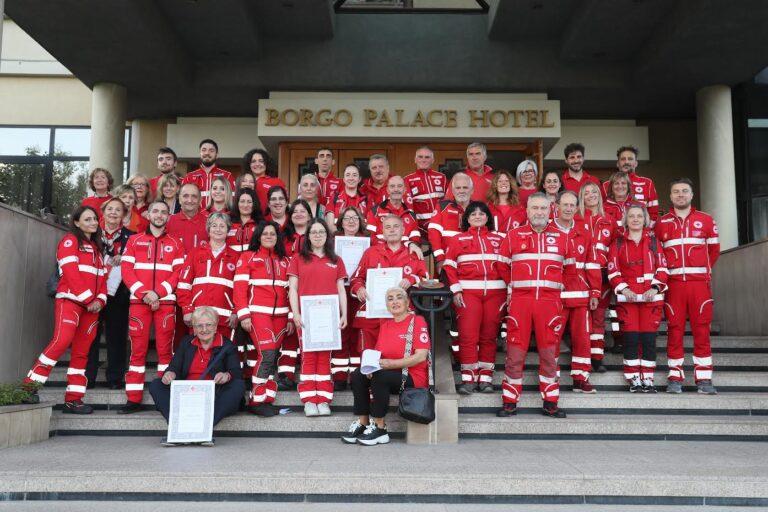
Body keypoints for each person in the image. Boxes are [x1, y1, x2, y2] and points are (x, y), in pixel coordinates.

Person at [23, 206, 107, 414]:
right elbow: (70, 273)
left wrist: (100, 300)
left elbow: (102, 280)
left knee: (81, 353)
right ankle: (28, 388)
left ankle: (74, 400)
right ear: (77, 223)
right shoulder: (70, 241)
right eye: (87, 219)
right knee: (60, 342)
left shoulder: (97, 248)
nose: (93, 222)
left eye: (94, 219)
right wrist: (89, 299)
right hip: (70, 302)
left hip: (92, 309)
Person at [498, 192, 573, 419]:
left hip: (550, 304)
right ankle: (509, 401)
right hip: (521, 302)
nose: (539, 212)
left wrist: (557, 293)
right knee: (515, 353)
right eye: (535, 208)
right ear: (527, 211)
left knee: (549, 353)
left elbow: (570, 270)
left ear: (550, 210)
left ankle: (551, 402)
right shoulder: (513, 235)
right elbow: (501, 266)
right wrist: (513, 288)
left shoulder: (563, 237)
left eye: (543, 208)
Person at [119, 200, 185, 414]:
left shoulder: (176, 243)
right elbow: (126, 270)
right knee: (137, 352)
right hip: (139, 302)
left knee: (165, 352)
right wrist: (144, 294)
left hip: (165, 302)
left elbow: (178, 274)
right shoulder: (134, 240)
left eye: (164, 212)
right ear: (148, 214)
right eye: (155, 211)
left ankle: (162, 397)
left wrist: (158, 293)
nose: (159, 215)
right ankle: (133, 399)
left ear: (168, 216)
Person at [342, 287, 431, 446]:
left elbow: (421, 356)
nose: (395, 302)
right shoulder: (386, 325)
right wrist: (370, 367)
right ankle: (363, 423)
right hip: (389, 375)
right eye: (390, 299)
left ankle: (380, 428)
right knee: (358, 374)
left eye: (399, 297)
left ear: (407, 302)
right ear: (387, 305)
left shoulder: (417, 321)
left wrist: (391, 364)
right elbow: (379, 354)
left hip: (411, 377)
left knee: (380, 377)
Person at [655, 178, 720, 394]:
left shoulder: (706, 220)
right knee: (674, 331)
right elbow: (657, 255)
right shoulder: (661, 223)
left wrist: (700, 272)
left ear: (692, 195)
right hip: (673, 286)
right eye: (676, 191)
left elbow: (714, 252)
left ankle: (704, 379)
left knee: (702, 330)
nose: (680, 195)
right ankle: (675, 377)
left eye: (684, 191)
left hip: (699, 285)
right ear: (670, 196)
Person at [148, 306, 245, 444]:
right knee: (156, 385)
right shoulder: (186, 343)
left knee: (238, 386)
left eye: (208, 325)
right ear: (194, 328)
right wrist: (169, 374)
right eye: (199, 325)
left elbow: (236, 372)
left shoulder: (227, 345)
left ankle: (204, 428)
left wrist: (226, 375)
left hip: (213, 396)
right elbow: (174, 367)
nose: (204, 329)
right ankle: (178, 426)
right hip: (187, 395)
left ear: (216, 326)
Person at [443, 201, 507, 394]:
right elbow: (449, 267)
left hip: (496, 294)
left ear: (488, 217)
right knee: (468, 336)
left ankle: (486, 378)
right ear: (467, 218)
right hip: (468, 294)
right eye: (473, 214)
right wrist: (456, 290)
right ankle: (468, 378)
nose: (478, 216)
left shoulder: (500, 239)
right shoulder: (457, 239)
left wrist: (510, 289)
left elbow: (508, 265)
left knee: (489, 336)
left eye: (481, 213)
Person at [288, 218, 348, 417]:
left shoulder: (336, 260)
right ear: (308, 236)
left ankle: (323, 399)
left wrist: (344, 314)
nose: (317, 235)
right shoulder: (298, 259)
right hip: (306, 316)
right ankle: (309, 400)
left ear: (327, 235)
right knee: (308, 358)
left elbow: (341, 289)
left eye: (321, 232)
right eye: (313, 232)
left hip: (328, 317)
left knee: (324, 358)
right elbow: (293, 289)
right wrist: (296, 313)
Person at [234, 221, 293, 416]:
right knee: (266, 354)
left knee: (272, 357)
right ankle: (256, 400)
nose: (269, 236)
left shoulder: (286, 260)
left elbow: (292, 292)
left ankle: (267, 398)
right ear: (258, 236)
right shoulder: (248, 257)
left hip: (281, 316)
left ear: (278, 237)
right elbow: (239, 289)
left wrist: (291, 317)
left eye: (273, 234)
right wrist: (244, 314)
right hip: (258, 314)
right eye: (265, 233)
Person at [608, 204, 668, 393]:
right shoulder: (617, 243)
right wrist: (624, 289)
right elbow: (612, 270)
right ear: (626, 220)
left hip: (651, 300)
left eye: (639, 216)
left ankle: (648, 378)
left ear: (645, 220)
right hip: (628, 301)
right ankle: (633, 378)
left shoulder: (654, 242)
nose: (635, 219)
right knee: (631, 339)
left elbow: (663, 268)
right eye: (631, 216)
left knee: (649, 340)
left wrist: (655, 287)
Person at [351, 214, 428, 356]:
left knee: (397, 357)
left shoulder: (414, 254)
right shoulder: (371, 252)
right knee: (369, 359)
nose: (392, 230)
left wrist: (411, 279)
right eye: (388, 227)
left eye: (395, 226)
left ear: (403, 230)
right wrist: (359, 288)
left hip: (401, 317)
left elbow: (427, 280)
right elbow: (356, 278)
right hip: (371, 317)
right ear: (382, 231)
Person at [553, 190, 601, 393]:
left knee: (582, 338)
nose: (568, 208)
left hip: (580, 295)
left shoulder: (584, 233)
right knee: (552, 338)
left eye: (572, 205)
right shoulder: (547, 232)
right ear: (556, 206)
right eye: (565, 204)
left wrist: (595, 291)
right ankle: (550, 378)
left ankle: (581, 378)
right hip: (554, 295)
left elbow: (592, 264)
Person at [85, 198, 134, 390]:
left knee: (117, 336)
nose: (113, 212)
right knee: (91, 336)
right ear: (103, 212)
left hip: (119, 294)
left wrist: (126, 257)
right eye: (110, 209)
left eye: (118, 210)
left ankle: (115, 377)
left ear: (124, 214)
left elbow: (136, 262)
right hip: (94, 291)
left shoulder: (132, 237)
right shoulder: (91, 233)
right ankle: (88, 377)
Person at [177, 212, 239, 339]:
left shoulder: (235, 257)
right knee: (198, 351)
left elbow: (241, 289)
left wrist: (236, 312)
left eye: (222, 226)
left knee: (222, 351)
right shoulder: (195, 253)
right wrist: (187, 309)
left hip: (225, 320)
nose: (218, 229)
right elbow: (184, 284)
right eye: (214, 226)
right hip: (198, 317)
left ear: (228, 230)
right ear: (208, 230)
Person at [577, 181, 615, 372]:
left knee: (599, 316)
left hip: (602, 274)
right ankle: (582, 356)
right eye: (586, 193)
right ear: (581, 197)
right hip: (580, 276)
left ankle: (597, 358)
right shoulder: (576, 218)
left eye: (594, 192)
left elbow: (615, 249)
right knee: (582, 318)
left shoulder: (609, 219)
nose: (591, 195)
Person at [277, 199, 313, 388]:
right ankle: (286, 374)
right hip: (287, 286)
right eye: (295, 211)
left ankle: (310, 373)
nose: (299, 214)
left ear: (309, 215)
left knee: (310, 330)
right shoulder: (283, 237)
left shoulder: (316, 235)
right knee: (289, 330)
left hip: (310, 288)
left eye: (303, 211)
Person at [331, 207, 368, 389]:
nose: (351, 221)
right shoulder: (332, 243)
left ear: (360, 222)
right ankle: (339, 375)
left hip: (360, 293)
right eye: (347, 218)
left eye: (355, 218)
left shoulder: (368, 243)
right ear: (341, 222)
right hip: (338, 291)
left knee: (356, 333)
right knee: (340, 332)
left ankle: (355, 376)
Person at [602, 146, 659, 224]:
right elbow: (600, 211)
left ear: (636, 163)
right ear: (617, 164)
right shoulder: (606, 185)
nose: (626, 162)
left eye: (630, 159)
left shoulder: (647, 183)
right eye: (623, 159)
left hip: (640, 231)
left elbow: (653, 213)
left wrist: (647, 230)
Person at [429, 172, 473, 272]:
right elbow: (434, 233)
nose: (461, 191)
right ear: (452, 191)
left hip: (471, 262)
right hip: (447, 261)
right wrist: (440, 258)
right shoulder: (442, 206)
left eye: (465, 187)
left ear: (472, 190)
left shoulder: (478, 208)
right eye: (458, 188)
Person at [366, 175, 421, 247]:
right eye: (392, 186)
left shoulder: (411, 215)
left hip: (405, 253)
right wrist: (389, 248)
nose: (396, 189)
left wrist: (401, 249)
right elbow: (369, 237)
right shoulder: (375, 212)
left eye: (399, 186)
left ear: (404, 190)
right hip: (381, 252)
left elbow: (415, 241)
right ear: (387, 190)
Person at [404, 146, 447, 236]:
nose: (423, 160)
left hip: (441, 225)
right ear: (415, 160)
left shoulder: (442, 177)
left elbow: (448, 201)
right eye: (420, 157)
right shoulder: (407, 179)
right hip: (420, 228)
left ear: (432, 160)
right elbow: (408, 207)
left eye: (427, 157)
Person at [183, 139, 235, 209]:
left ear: (217, 155)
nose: (207, 153)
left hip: (219, 215)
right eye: (204, 150)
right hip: (196, 215)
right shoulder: (189, 177)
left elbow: (233, 200)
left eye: (211, 150)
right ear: (200, 153)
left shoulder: (227, 176)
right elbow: (183, 200)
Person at [167, 183, 209, 254]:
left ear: (200, 200)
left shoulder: (209, 223)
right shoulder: (169, 221)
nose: (189, 200)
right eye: (185, 196)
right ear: (179, 199)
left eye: (194, 196)